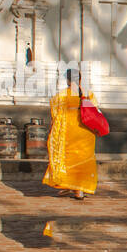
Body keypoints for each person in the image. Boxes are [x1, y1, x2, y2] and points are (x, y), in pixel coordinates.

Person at [43, 68, 97, 200]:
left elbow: (54, 116)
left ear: (67, 80)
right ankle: (78, 189)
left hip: (68, 133)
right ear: (79, 79)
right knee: (83, 161)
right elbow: (95, 112)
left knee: (67, 161)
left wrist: (51, 133)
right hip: (86, 133)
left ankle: (70, 185)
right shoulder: (88, 94)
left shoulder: (61, 96)